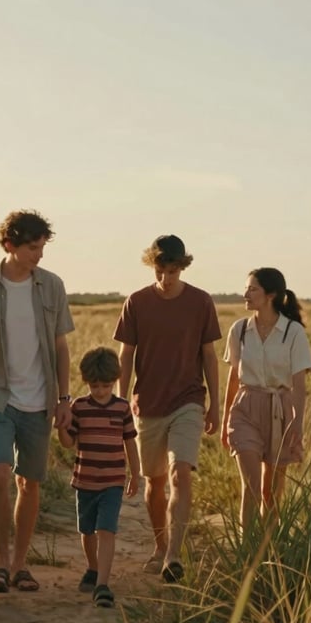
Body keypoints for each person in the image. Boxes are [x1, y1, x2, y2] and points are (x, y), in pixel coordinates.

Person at [0, 210, 74, 593]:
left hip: (39, 399)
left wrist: (64, 398)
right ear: (10, 245)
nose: (39, 254)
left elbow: (61, 347)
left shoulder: (52, 286)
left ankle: (21, 566)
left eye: (42, 247)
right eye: (32, 247)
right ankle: (0, 562)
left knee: (29, 482)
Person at [114, 235, 221, 583]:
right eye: (161, 271)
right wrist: (119, 401)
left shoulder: (201, 302)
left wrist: (215, 404)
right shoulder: (137, 302)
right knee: (153, 483)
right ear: (153, 266)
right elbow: (126, 354)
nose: (166, 278)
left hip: (188, 400)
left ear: (183, 267)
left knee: (181, 473)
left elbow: (208, 355)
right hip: (147, 404)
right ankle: (160, 547)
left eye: (173, 271)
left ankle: (174, 555)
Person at [220, 267, 311, 530]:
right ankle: (245, 553)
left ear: (270, 294)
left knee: (271, 493)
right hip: (245, 409)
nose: (245, 294)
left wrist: (297, 422)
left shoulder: (293, 332)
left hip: (279, 410)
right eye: (246, 288)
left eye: (252, 289)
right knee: (250, 486)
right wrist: (226, 418)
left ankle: (267, 550)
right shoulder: (239, 330)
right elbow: (233, 378)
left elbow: (298, 384)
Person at [58, 347, 140, 608]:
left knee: (107, 529)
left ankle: (103, 584)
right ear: (87, 383)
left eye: (106, 386)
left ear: (114, 381)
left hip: (113, 481)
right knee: (87, 530)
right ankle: (92, 568)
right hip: (85, 480)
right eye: (95, 386)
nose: (101, 391)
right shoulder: (79, 407)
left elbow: (130, 443)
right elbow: (69, 442)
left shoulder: (122, 407)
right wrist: (60, 426)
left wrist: (135, 474)